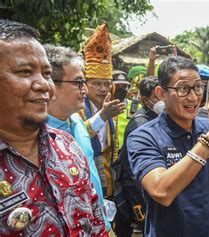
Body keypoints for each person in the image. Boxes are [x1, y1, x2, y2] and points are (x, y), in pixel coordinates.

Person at [127, 56, 209, 236]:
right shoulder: (144, 136)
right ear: (161, 93)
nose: (192, 97)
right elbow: (162, 192)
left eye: (198, 87)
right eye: (183, 89)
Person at [0, 19, 106, 236]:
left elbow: (96, 223)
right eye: (25, 72)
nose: (43, 85)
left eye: (46, 74)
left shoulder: (67, 145)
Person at [44, 44, 110, 230]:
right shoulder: (34, 135)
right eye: (78, 83)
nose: (85, 90)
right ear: (51, 86)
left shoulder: (77, 121)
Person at [78, 23, 125, 200]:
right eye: (96, 84)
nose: (103, 89)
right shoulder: (77, 110)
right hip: (86, 181)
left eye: (107, 84)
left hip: (109, 184)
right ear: (85, 85)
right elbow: (78, 137)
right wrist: (102, 116)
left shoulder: (113, 108)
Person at [113, 76, 161, 236]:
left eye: (164, 94)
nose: (163, 101)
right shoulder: (140, 125)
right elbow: (133, 173)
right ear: (146, 100)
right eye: (157, 97)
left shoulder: (157, 118)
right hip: (139, 194)